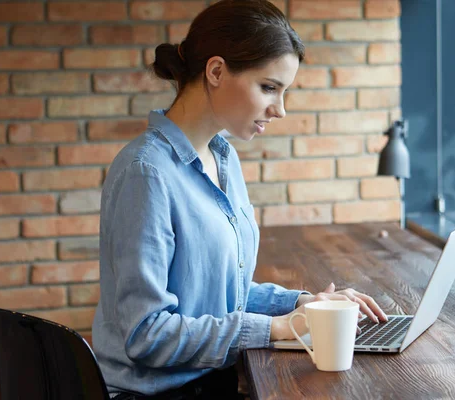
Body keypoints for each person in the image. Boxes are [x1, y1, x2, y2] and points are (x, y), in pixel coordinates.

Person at [92, 0, 388, 398]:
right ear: (216, 71)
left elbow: (219, 293)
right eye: (269, 88)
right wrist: (279, 328)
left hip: (212, 381)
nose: (279, 109)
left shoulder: (222, 158)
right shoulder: (146, 173)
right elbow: (147, 334)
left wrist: (306, 305)